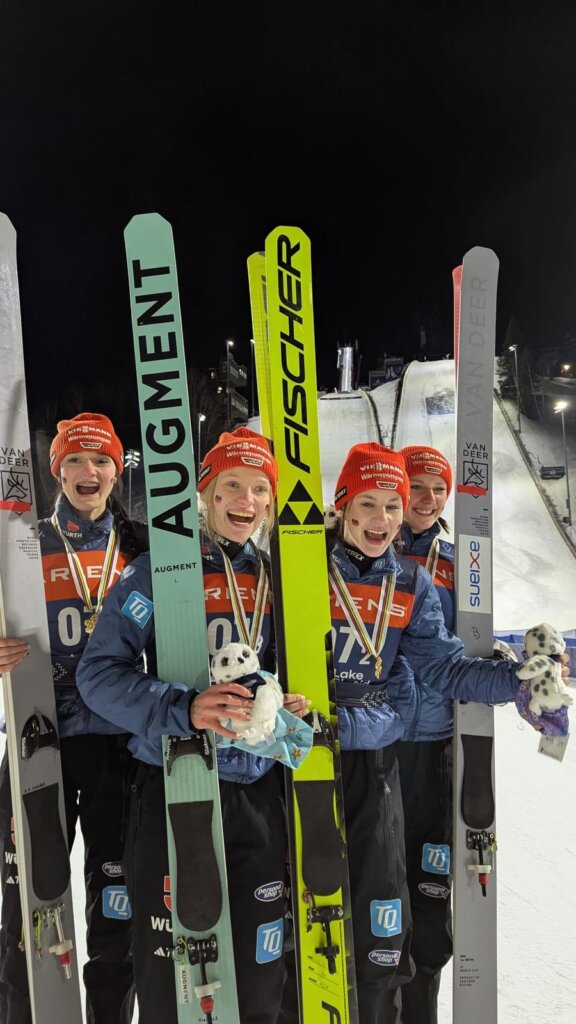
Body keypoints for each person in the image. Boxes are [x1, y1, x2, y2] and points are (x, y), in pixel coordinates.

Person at [315, 442, 566, 1024]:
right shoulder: (306, 564)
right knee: (334, 901)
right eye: (377, 502)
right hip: (333, 753)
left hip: (418, 741)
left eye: (399, 502)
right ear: (345, 505)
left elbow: (448, 662)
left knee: (409, 902)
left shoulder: (427, 573)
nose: (393, 514)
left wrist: (516, 679)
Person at [76, 427, 309, 1024]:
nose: (247, 501)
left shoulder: (282, 578)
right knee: (172, 978)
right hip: (174, 785)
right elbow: (99, 674)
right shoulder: (159, 572)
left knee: (260, 980)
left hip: (257, 791)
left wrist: (289, 706)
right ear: (204, 493)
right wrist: (183, 708)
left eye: (260, 488)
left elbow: (293, 670)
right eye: (231, 485)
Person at [0, 412, 147, 1024]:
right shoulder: (21, 540)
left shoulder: (142, 546)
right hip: (43, 741)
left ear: (118, 469)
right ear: (56, 469)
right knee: (27, 904)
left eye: (102, 461)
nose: (90, 472)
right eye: (76, 461)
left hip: (118, 744)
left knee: (117, 905)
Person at [395, 444, 456, 1024]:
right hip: (375, 742)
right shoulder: (366, 546)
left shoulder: (460, 558)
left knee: (429, 890)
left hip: (432, 741)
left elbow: (469, 643)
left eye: (439, 489)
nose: (428, 499)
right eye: (418, 486)